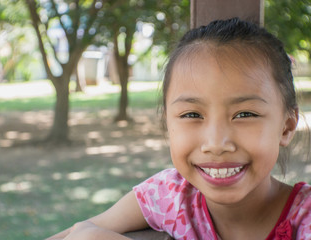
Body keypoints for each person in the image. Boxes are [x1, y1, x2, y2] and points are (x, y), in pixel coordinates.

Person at [47, 18, 311, 240]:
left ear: (287, 127)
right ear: (168, 125)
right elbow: (79, 232)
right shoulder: (171, 196)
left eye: (245, 114)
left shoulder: (305, 217)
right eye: (192, 114)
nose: (216, 143)